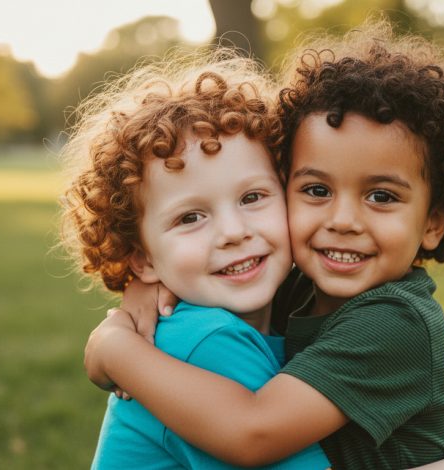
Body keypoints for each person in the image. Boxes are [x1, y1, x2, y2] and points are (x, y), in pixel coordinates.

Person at [84, 19, 444, 469]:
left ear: (433, 223)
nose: (342, 221)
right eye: (317, 190)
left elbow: (253, 430)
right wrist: (144, 286)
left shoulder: (396, 323)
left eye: (381, 196)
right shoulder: (290, 292)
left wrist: (117, 349)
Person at [61, 53, 331, 469]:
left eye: (252, 197)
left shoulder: (277, 307)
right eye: (190, 217)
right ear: (143, 260)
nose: (233, 231)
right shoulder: (207, 341)